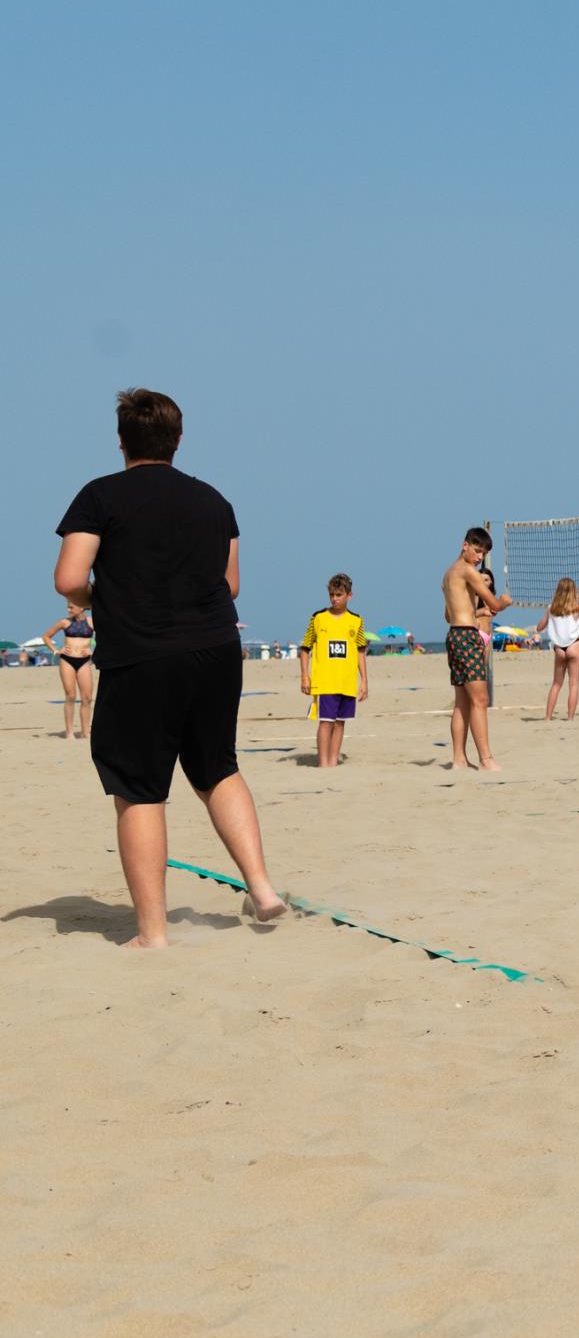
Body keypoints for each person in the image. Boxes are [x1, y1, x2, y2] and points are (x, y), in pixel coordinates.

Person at [52, 388, 288, 945]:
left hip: (142, 652)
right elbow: (231, 586)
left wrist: (101, 599)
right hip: (215, 649)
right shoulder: (214, 501)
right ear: (178, 440)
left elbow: (69, 579)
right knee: (217, 768)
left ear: (121, 441)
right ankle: (261, 889)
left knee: (138, 788)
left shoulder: (99, 495)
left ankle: (153, 934)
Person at [442, 527, 518, 770]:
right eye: (476, 551)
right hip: (466, 637)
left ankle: (459, 759)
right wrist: (504, 602)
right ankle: (486, 759)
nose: (479, 557)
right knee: (480, 700)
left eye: (483, 554)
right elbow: (494, 602)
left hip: (454, 635)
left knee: (462, 702)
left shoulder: (448, 574)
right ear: (464, 545)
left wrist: (475, 610)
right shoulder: (467, 571)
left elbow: (448, 615)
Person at [297, 574, 367, 769]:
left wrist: (364, 681)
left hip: (347, 682)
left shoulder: (356, 621)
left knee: (340, 722)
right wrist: (305, 676)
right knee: (326, 722)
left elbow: (360, 651)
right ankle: (324, 764)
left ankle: (333, 763)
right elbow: (305, 649)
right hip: (325, 681)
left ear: (349, 595)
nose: (334, 599)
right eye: (332, 595)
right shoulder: (318, 618)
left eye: (339, 595)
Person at [540, 578, 579, 722]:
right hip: (574, 646)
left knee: (556, 684)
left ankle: (548, 717)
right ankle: (570, 718)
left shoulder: (552, 608)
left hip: (559, 649)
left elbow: (539, 628)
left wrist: (549, 617)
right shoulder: (577, 607)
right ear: (574, 591)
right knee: (574, 684)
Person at [52, 599, 95, 740]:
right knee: (70, 696)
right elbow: (46, 636)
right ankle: (69, 732)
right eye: (68, 607)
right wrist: (56, 650)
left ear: (81, 607)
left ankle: (85, 732)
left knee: (87, 698)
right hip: (67, 660)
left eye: (71, 607)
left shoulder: (91, 622)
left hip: (84, 661)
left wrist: (93, 651)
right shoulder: (64, 622)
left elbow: (106, 637)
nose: (68, 610)